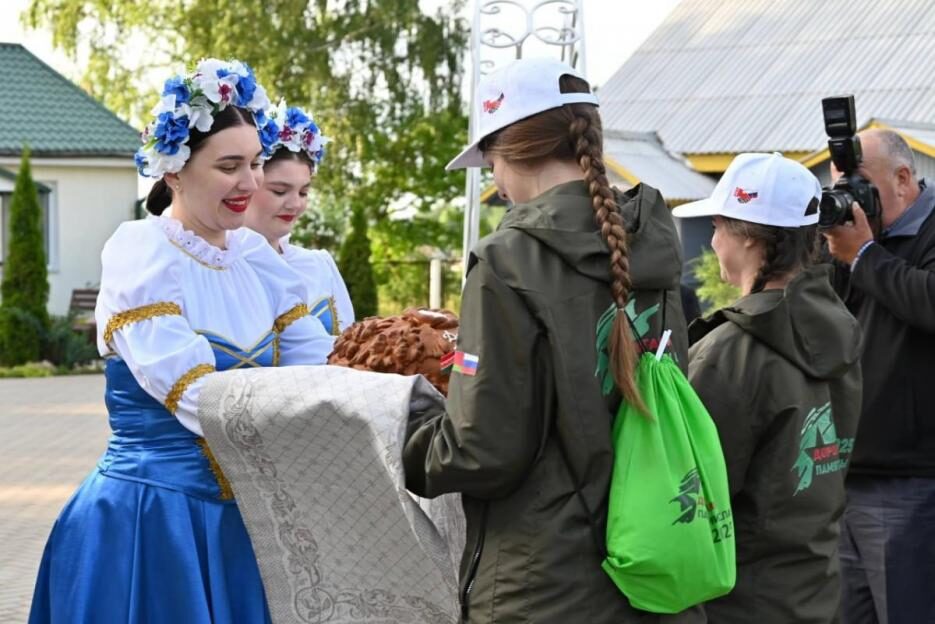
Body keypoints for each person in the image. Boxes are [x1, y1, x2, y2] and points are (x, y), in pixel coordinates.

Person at [28, 59, 334, 623]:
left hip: (246, 520)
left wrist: (394, 393)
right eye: (229, 165)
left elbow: (317, 362)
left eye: (256, 162)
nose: (251, 183)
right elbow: (198, 397)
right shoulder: (142, 255)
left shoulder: (254, 258)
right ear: (173, 171)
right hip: (151, 525)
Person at [402, 57, 697, 623]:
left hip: (545, 582)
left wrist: (399, 440)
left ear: (506, 151)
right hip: (652, 561)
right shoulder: (652, 239)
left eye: (489, 163)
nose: (493, 182)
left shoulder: (508, 259)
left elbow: (483, 449)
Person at [673, 153, 862, 623]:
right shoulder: (839, 327)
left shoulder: (730, 352)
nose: (712, 241)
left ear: (750, 236)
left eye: (718, 225)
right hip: (813, 592)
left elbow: (690, 497)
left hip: (740, 601)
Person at [823, 128, 935, 624]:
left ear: (904, 179)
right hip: (845, 476)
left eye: (858, 187)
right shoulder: (859, 246)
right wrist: (838, 256)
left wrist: (865, 255)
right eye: (840, 189)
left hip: (909, 483)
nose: (851, 203)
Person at [245, 101, 353, 335]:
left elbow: (351, 348)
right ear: (246, 184)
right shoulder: (222, 267)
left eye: (303, 192)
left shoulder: (318, 265)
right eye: (279, 191)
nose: (295, 204)